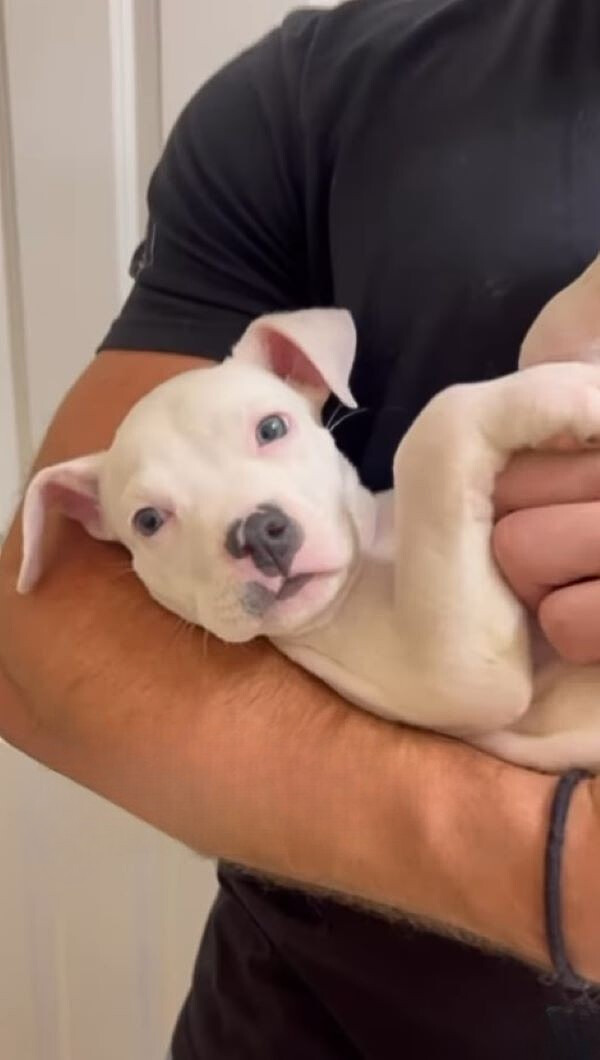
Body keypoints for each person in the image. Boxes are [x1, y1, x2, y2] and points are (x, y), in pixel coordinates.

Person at [1, 0, 600, 1055]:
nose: (253, 526)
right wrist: (567, 877)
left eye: (273, 431)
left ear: (310, 384)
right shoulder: (312, 89)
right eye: (150, 518)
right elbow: (36, 632)